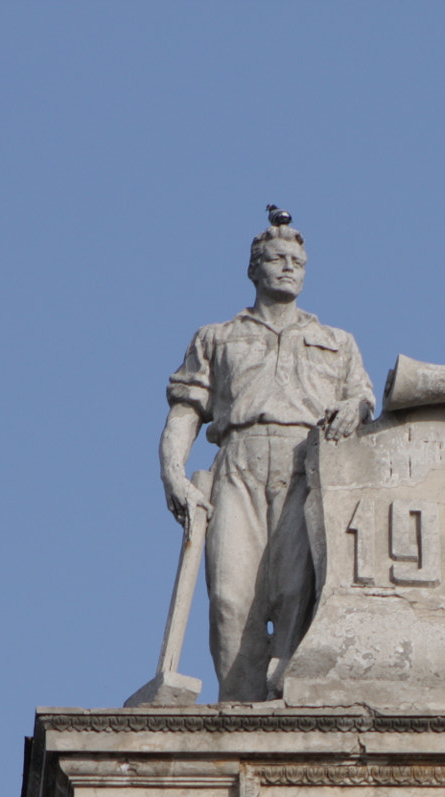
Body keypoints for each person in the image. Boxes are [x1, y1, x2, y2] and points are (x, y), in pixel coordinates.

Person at [159, 212, 373, 701]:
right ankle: (239, 707)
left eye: (297, 261)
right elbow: (185, 413)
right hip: (239, 463)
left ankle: (288, 704)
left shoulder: (339, 342)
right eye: (276, 259)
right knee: (232, 601)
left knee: (300, 596)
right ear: (254, 270)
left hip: (308, 466)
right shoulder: (216, 337)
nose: (288, 267)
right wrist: (173, 474)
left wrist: (354, 409)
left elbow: (362, 400)